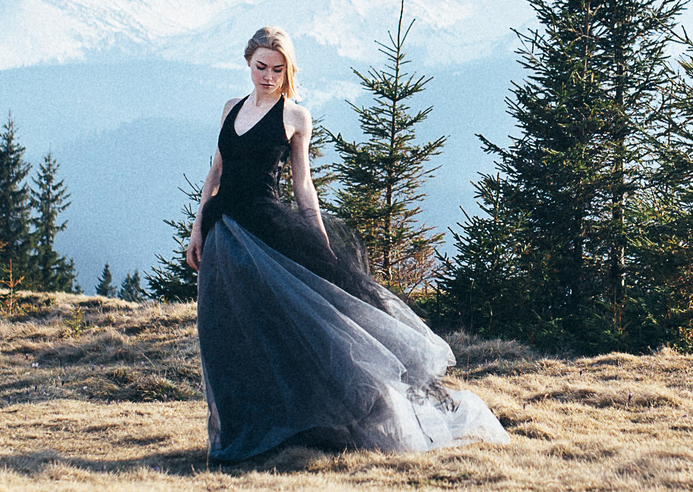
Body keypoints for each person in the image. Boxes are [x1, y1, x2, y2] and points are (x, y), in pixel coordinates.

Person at [184, 25, 506, 464]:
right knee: (228, 340)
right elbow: (215, 174)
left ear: (287, 70)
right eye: (261, 67)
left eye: (277, 69)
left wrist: (318, 241)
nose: (268, 76)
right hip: (223, 235)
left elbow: (303, 186)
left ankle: (297, 429)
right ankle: (241, 433)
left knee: (286, 334)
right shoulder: (230, 109)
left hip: (267, 234)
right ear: (248, 63)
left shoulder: (293, 116)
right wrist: (197, 226)